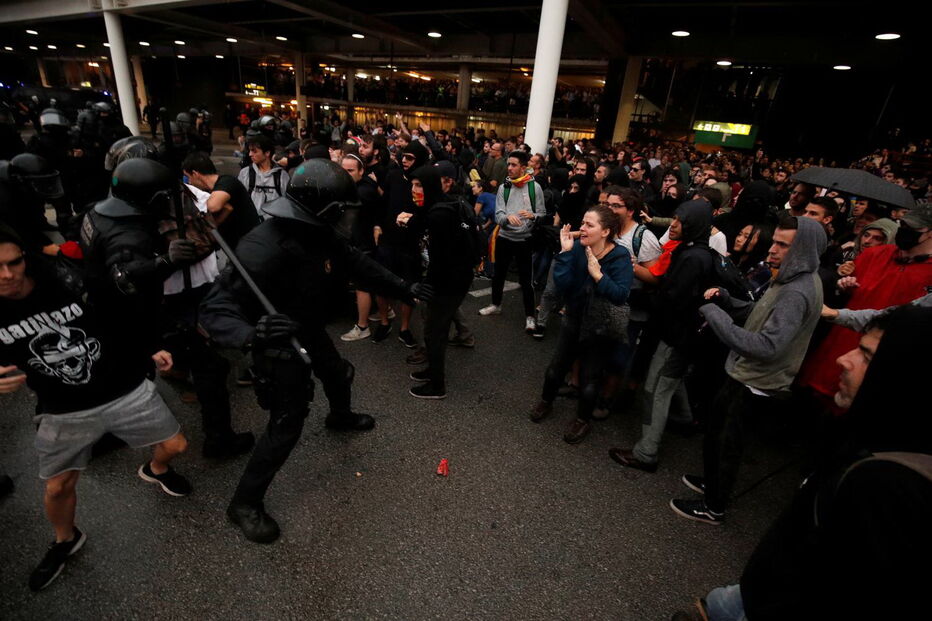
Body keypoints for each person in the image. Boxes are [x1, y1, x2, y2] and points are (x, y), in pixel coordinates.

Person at [199, 159, 432, 544]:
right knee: (287, 421)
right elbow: (215, 308)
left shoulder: (319, 231)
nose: (346, 219)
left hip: (306, 324)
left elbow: (358, 264)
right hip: (276, 340)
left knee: (338, 373)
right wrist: (252, 333)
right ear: (324, 210)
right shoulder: (261, 249)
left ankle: (340, 416)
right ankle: (244, 503)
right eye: (342, 211)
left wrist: (403, 288)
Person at [672, 305, 932, 621]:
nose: (844, 359)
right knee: (717, 603)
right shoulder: (865, 438)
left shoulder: (887, 485)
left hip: (772, 605)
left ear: (906, 375)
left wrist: (717, 315)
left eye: (867, 356)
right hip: (758, 588)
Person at [0, 224, 190, 591]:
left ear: (24, 257)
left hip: (123, 388)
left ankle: (155, 469)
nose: (7, 275)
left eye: (14, 262)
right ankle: (65, 539)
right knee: (58, 487)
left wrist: (151, 345)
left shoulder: (62, 279)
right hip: (63, 408)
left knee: (176, 445)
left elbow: (119, 310)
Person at [670, 214, 827, 525]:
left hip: (755, 382)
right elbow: (760, 313)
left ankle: (713, 506)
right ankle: (712, 483)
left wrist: (716, 316)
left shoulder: (797, 291)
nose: (772, 250)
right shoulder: (790, 278)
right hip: (744, 374)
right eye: (775, 242)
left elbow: (766, 346)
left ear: (804, 249)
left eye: (783, 245)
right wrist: (728, 300)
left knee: (727, 443)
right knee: (717, 436)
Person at [607, 199, 717, 472]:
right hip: (679, 334)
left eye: (680, 221)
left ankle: (646, 453)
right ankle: (686, 420)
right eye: (674, 219)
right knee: (671, 380)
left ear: (694, 225)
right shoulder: (691, 250)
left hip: (676, 336)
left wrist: (636, 298)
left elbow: (671, 300)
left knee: (656, 389)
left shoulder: (693, 258)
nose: (673, 225)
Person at [529, 205, 632, 443]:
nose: (582, 228)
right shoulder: (576, 249)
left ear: (605, 231)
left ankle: (582, 420)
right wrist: (565, 253)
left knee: (591, 376)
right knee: (556, 367)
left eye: (589, 225)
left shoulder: (620, 257)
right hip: (574, 318)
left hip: (600, 325)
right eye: (583, 223)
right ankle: (546, 401)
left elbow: (620, 295)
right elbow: (562, 285)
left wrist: (598, 275)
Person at [405, 165, 475, 399]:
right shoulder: (438, 206)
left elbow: (441, 259)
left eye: (418, 185)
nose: (413, 190)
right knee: (434, 330)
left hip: (448, 282)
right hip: (451, 279)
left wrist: (427, 286)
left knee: (435, 332)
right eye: (412, 185)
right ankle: (432, 372)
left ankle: (437, 386)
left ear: (430, 186)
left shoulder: (439, 214)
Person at [479, 150, 546, 333]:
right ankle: (496, 305)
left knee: (526, 280)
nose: (509, 168)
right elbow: (498, 214)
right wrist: (507, 218)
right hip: (504, 238)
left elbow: (542, 214)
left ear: (523, 167)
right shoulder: (504, 187)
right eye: (508, 164)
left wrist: (533, 216)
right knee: (498, 274)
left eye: (513, 165)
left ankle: (530, 316)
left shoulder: (535, 188)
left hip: (524, 240)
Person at [182, 151, 260, 252]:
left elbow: (213, 206)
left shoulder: (227, 182)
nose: (189, 182)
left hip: (251, 246)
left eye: (188, 177)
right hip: (235, 249)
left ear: (195, 174)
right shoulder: (213, 191)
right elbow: (226, 210)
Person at [237, 135, 290, 216]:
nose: (250, 154)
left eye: (254, 151)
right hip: (252, 222)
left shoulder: (282, 176)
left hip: (274, 222)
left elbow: (287, 205)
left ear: (267, 153)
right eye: (250, 151)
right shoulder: (245, 173)